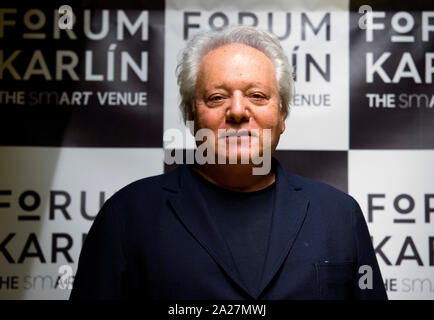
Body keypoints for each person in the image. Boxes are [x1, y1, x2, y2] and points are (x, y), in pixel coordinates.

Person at [70, 26, 387, 300]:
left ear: (282, 116)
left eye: (258, 96)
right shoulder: (126, 216)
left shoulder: (340, 216)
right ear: (192, 118)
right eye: (217, 97)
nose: (237, 111)